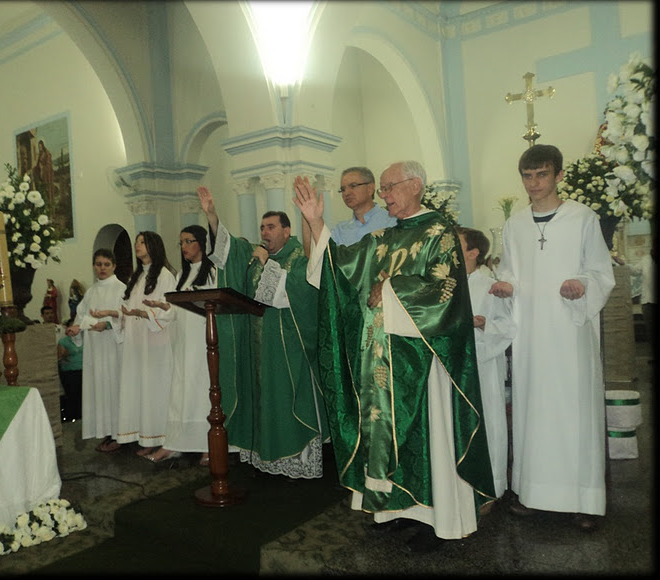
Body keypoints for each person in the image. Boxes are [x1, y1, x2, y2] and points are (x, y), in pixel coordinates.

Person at [293, 161, 496, 552]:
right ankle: (393, 508)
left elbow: (445, 288)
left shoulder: (439, 231)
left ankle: (435, 519)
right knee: (385, 435)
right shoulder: (385, 237)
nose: (384, 195)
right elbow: (341, 269)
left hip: (423, 357)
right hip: (382, 359)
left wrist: (389, 290)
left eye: (389, 187)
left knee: (426, 435)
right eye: (383, 189)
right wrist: (316, 223)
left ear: (415, 186)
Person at [488, 144, 615, 530]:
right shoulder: (516, 225)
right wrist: (506, 287)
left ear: (559, 175)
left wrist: (582, 284)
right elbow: (510, 271)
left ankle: (585, 501)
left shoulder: (582, 218)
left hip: (569, 332)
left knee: (573, 413)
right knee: (533, 412)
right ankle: (536, 494)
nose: (534, 183)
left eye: (542, 175)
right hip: (531, 338)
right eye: (527, 176)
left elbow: (600, 271)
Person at [196, 186, 327, 479]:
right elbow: (229, 250)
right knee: (263, 396)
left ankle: (298, 457)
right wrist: (212, 216)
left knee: (285, 398)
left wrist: (267, 263)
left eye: (270, 227)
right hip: (260, 347)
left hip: (288, 349)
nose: (264, 233)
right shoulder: (257, 255)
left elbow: (297, 292)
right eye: (262, 228)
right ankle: (266, 455)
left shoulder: (299, 256)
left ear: (286, 230)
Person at [143, 225, 220, 465]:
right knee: (180, 392)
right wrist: (161, 308)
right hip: (182, 341)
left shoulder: (213, 272)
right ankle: (174, 443)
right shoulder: (181, 276)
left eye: (189, 241)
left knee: (202, 392)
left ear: (202, 244)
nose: (184, 247)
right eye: (182, 243)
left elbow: (217, 305)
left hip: (203, 341)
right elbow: (176, 310)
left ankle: (209, 445)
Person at [457, 226, 515, 500]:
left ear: (473, 252)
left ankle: (490, 489)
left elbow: (507, 326)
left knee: (488, 425)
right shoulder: (447, 284)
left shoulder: (489, 285)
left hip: (483, 365)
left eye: (455, 245)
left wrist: (483, 324)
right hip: (453, 365)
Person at [114, 231, 177, 456]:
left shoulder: (166, 276)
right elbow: (129, 307)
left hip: (156, 344)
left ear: (153, 246)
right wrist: (121, 315)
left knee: (156, 390)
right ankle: (147, 436)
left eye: (142, 242)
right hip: (138, 342)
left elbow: (170, 310)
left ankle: (162, 438)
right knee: (141, 389)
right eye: (136, 242)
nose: (137, 246)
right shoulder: (137, 277)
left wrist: (146, 313)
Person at [66, 249, 126, 452]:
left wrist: (107, 325)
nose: (102, 268)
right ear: (94, 266)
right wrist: (75, 329)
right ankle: (108, 433)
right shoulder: (91, 292)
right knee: (100, 391)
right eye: (98, 264)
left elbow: (125, 317)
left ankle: (121, 434)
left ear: (114, 266)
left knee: (114, 389)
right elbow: (81, 317)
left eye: (106, 264)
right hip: (95, 351)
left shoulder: (121, 289)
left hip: (113, 349)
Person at [302, 166, 397, 257]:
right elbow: (315, 255)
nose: (346, 193)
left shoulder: (392, 222)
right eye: (343, 189)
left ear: (370, 188)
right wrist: (309, 215)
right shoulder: (340, 231)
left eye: (353, 186)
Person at [58, 319, 83, 423]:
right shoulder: (63, 341)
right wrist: (64, 354)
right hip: (70, 372)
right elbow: (59, 357)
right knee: (73, 395)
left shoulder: (85, 339)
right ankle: (74, 417)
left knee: (83, 395)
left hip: (83, 371)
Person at [32, 139, 54, 206]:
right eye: (39, 147)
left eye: (40, 147)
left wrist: (43, 168)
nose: (40, 149)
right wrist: (34, 169)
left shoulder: (47, 153)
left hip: (47, 176)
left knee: (48, 192)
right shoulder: (40, 154)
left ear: (43, 146)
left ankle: (50, 208)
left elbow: (49, 165)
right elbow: (38, 165)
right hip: (41, 176)